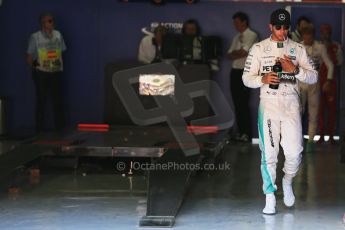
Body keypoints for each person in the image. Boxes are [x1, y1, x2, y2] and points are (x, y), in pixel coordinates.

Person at [242, 9, 317, 215]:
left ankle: (287, 180)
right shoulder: (258, 48)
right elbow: (246, 78)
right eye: (278, 27)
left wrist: (295, 70)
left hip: (291, 104)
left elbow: (313, 77)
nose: (282, 31)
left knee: (294, 153)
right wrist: (263, 79)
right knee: (269, 154)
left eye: (286, 27)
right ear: (270, 26)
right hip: (269, 105)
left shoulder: (298, 49)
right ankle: (269, 195)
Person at [27, 12, 66, 133]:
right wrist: (37, 67)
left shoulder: (58, 35)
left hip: (56, 72)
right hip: (41, 74)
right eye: (50, 21)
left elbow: (62, 50)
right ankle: (39, 131)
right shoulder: (35, 37)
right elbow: (29, 57)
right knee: (41, 101)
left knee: (58, 101)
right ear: (43, 23)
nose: (52, 23)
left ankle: (60, 130)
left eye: (53, 20)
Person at [300, 25, 333, 151]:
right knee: (297, 113)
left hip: (314, 83)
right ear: (303, 36)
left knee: (313, 113)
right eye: (305, 36)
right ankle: (296, 141)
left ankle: (310, 142)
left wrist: (329, 80)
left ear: (313, 36)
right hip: (300, 83)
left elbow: (330, 65)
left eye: (310, 36)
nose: (307, 39)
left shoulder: (320, 47)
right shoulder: (297, 47)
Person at [227, 11, 258, 142]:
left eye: (237, 22)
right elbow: (229, 54)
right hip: (234, 71)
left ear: (244, 22)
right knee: (237, 104)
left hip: (245, 72)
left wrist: (237, 53)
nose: (235, 25)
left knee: (243, 103)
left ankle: (246, 134)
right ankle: (240, 133)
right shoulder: (236, 37)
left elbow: (244, 52)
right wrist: (237, 53)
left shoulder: (252, 35)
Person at [318, 24, 343, 144]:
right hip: (318, 81)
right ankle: (321, 135)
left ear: (331, 33)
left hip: (332, 82)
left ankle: (332, 136)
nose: (325, 35)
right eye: (323, 32)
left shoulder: (336, 46)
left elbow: (340, 62)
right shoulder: (317, 45)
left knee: (332, 110)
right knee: (320, 109)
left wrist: (331, 51)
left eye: (328, 32)